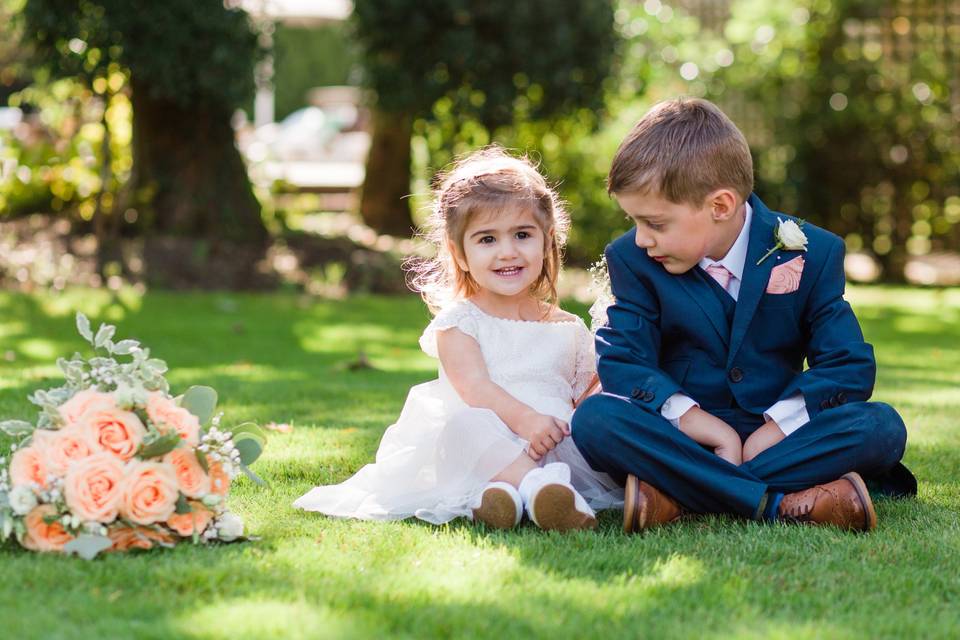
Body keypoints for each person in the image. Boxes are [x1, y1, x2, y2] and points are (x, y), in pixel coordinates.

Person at [571, 97, 916, 533]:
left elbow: (848, 367)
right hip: (685, 434)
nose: (641, 239)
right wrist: (703, 426)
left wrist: (772, 429)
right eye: (634, 221)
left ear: (720, 206)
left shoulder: (813, 251)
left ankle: (676, 496)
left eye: (655, 223)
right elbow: (623, 360)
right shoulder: (632, 259)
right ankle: (775, 503)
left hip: (780, 437)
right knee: (596, 421)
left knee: (881, 427)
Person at [294, 147, 622, 530]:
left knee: (585, 432)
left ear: (547, 241)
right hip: (485, 444)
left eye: (522, 234)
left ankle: (506, 499)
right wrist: (527, 420)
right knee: (462, 428)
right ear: (459, 253)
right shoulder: (461, 322)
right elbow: (476, 389)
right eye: (487, 240)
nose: (508, 252)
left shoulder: (568, 327)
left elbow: (586, 394)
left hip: (550, 444)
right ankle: (537, 489)